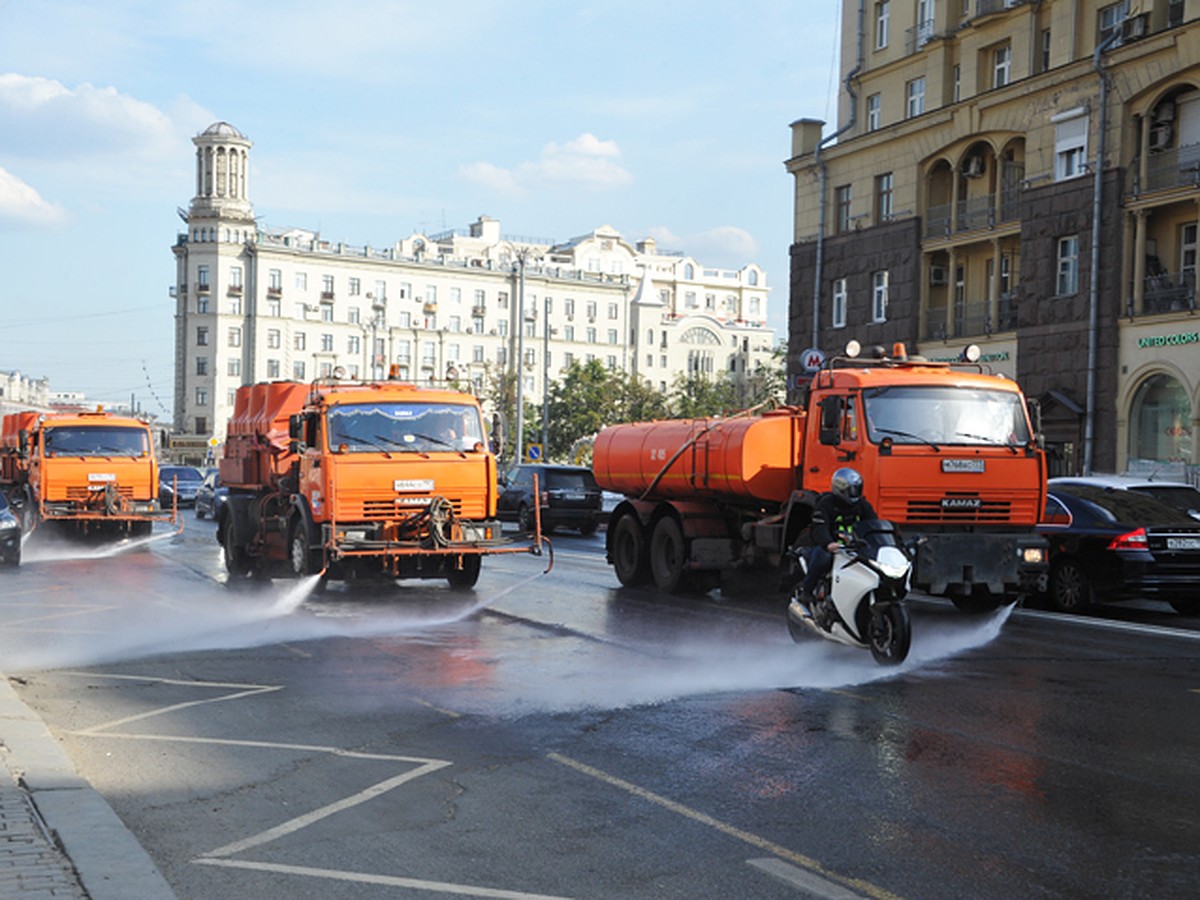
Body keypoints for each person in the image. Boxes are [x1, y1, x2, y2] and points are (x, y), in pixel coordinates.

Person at [798, 467, 877, 602]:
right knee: (823, 557)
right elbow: (819, 527)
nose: (854, 494)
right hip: (832, 547)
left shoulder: (863, 505)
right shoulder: (825, 504)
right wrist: (828, 543)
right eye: (851, 490)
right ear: (840, 489)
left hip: (855, 547)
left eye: (857, 489)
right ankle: (807, 591)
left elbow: (874, 524)